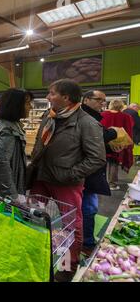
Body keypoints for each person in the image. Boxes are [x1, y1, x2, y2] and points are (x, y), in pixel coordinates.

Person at [28, 79, 106, 281]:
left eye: (51, 93)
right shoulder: (49, 115)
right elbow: (40, 143)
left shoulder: (87, 123)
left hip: (67, 184)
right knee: (33, 217)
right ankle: (34, 255)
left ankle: (67, 269)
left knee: (72, 226)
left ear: (66, 97)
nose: (47, 97)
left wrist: (70, 174)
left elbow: (96, 158)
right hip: (41, 178)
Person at [81, 90, 118, 254]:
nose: (102, 103)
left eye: (104, 100)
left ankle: (84, 240)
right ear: (86, 99)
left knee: (87, 206)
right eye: (99, 100)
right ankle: (86, 242)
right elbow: (93, 139)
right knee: (88, 207)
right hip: (86, 171)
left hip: (88, 170)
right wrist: (112, 134)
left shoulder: (91, 116)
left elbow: (93, 143)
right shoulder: (86, 118)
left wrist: (108, 146)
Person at [101, 99, 134, 190]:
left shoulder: (102, 114)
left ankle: (102, 184)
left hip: (103, 142)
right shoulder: (126, 117)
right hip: (118, 144)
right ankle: (112, 184)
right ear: (121, 106)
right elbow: (128, 131)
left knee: (101, 163)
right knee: (113, 163)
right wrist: (128, 146)